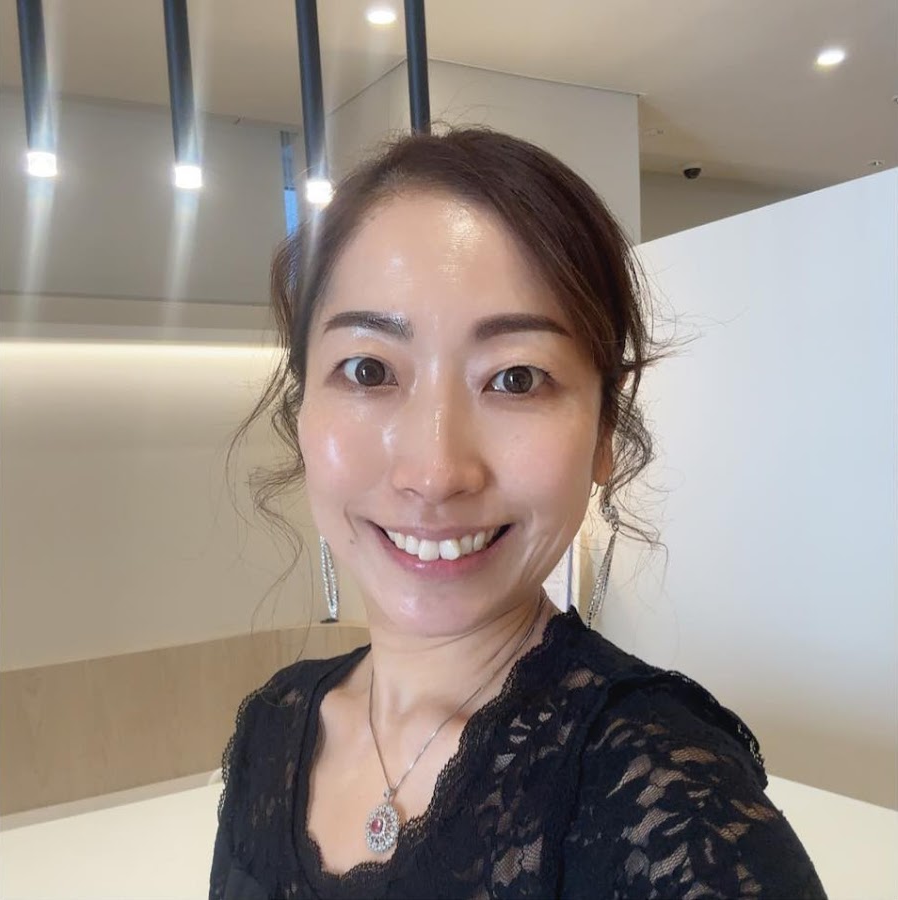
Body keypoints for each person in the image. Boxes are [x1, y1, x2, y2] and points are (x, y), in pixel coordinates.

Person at [209, 128, 826, 899]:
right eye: (367, 370)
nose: (435, 473)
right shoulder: (274, 727)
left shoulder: (669, 805)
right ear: (302, 412)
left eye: (517, 378)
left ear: (604, 434)